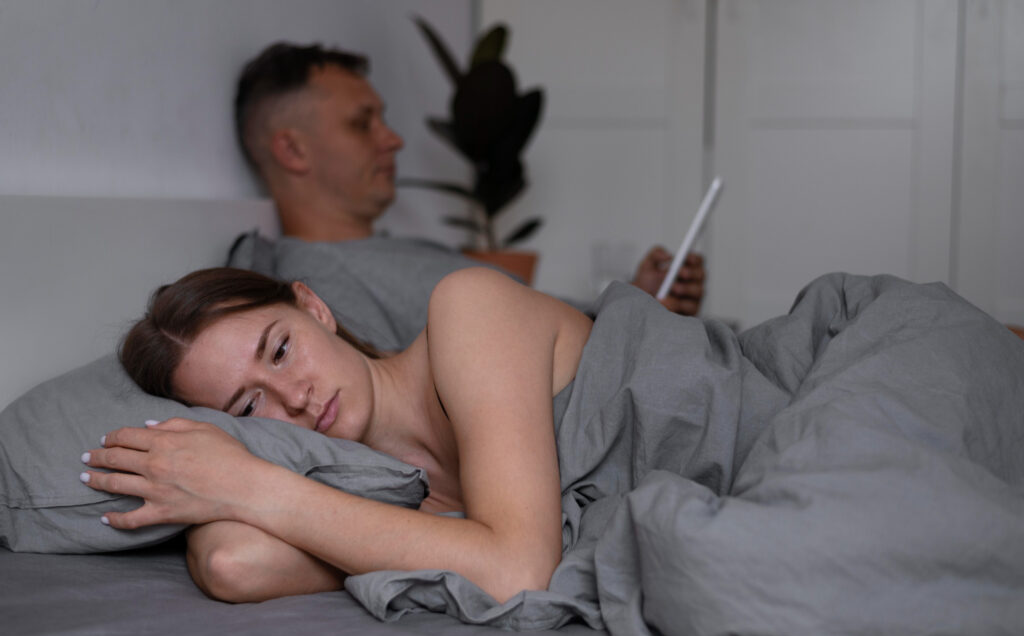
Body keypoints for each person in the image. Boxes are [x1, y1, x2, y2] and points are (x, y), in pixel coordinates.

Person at [82, 266, 589, 604]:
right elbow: (232, 564)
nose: (295, 396)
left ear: (314, 309)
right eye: (251, 406)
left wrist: (243, 485)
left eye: (280, 350)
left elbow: (517, 573)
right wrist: (220, 475)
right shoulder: (376, 503)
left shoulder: (470, 307)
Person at [234, 41, 706, 316]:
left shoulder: (403, 252)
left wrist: (639, 303)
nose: (394, 140)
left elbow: (536, 322)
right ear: (293, 149)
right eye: (362, 124)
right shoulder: (317, 286)